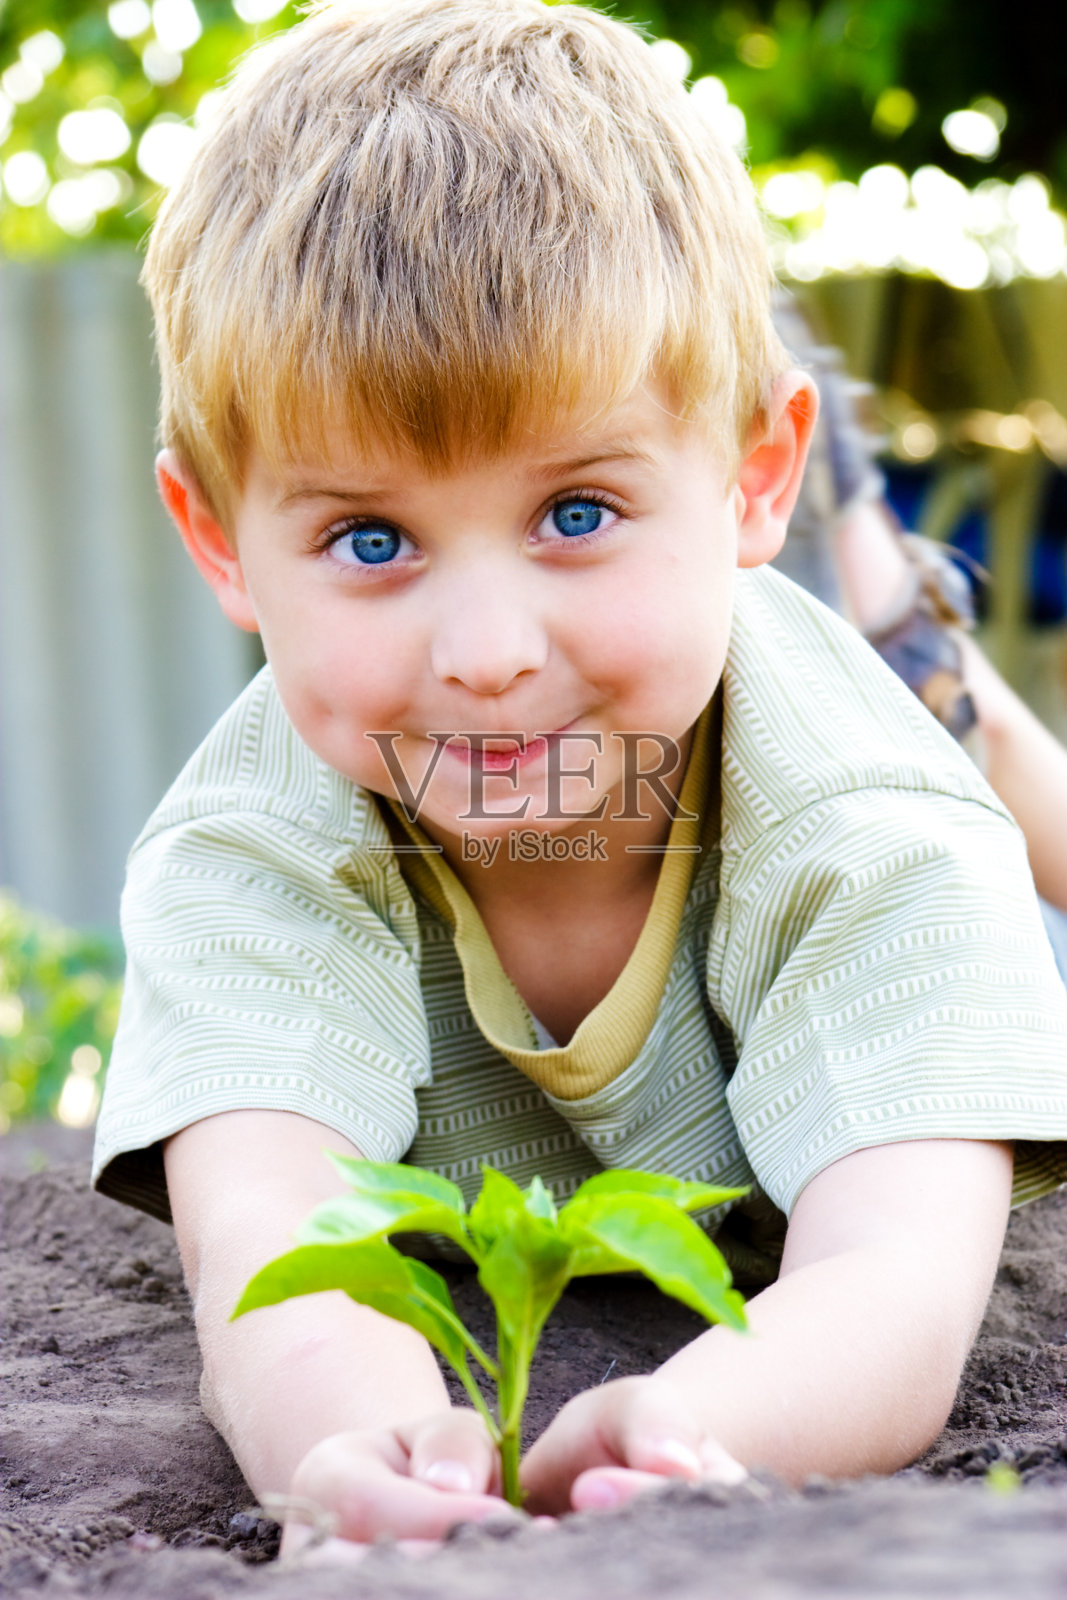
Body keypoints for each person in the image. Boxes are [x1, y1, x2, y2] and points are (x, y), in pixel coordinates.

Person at [91, 0, 1067, 1560]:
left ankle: (927, 648)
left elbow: (900, 1271)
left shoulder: (871, 826)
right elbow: (269, 1237)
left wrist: (709, 1425)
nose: (483, 652)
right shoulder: (251, 844)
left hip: (871, 812)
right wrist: (344, 1433)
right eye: (370, 540)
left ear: (757, 472)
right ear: (220, 541)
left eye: (577, 512)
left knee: (972, 758)